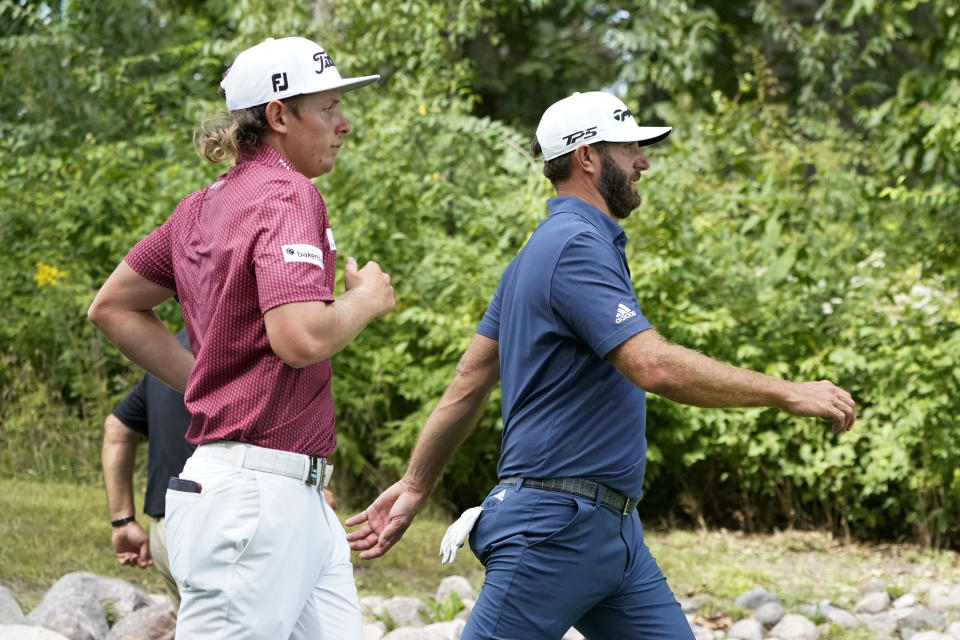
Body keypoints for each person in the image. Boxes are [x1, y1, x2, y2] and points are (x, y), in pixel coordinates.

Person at [345, 91, 857, 639]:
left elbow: (469, 382)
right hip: (553, 531)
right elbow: (652, 365)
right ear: (587, 156)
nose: (644, 161)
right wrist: (784, 391)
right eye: (631, 146)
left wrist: (417, 482)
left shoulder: (541, 252)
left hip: (613, 536)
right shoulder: (573, 246)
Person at [87, 36, 393, 639]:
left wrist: (200, 378)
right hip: (255, 500)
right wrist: (367, 298)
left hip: (292, 497)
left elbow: (113, 306)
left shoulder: (197, 208)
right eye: (329, 108)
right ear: (279, 115)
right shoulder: (290, 193)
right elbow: (300, 337)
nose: (345, 124)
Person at [102, 327, 195, 610]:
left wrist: (122, 521)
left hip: (164, 532)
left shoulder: (169, 347)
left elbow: (116, 428)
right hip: (208, 526)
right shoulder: (240, 340)